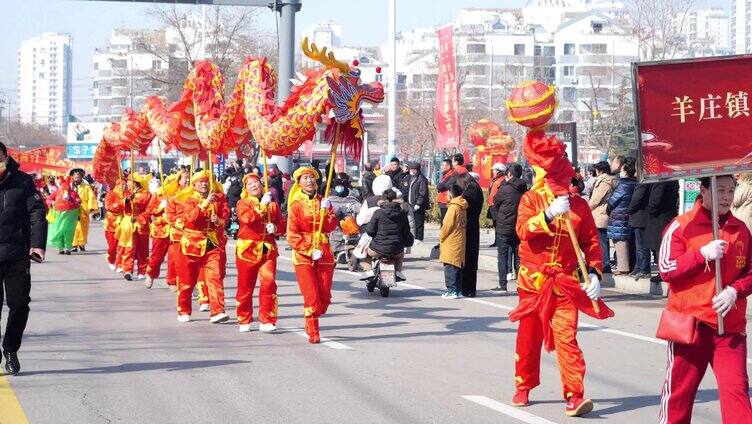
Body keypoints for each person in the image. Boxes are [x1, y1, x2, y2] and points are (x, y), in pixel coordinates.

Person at [510, 169, 612, 417]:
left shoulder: (580, 205)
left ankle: (574, 395)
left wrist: (595, 273)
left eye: (566, 177)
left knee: (567, 338)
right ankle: (523, 385)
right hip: (533, 283)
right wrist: (547, 214)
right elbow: (522, 230)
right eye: (556, 176)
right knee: (529, 336)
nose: (562, 181)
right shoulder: (531, 199)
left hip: (565, 283)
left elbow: (591, 242)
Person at [657, 175, 752, 423]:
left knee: (737, 392)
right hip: (691, 327)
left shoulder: (740, 229)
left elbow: (751, 272)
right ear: (703, 189)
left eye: (731, 190)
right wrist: (701, 255)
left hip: (729, 329)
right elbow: (666, 269)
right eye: (720, 190)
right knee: (679, 394)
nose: (726, 197)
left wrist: (735, 291)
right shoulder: (681, 226)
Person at [0, 143, 47, 375]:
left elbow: (37, 213)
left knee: (19, 304)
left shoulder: (23, 181)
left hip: (16, 254)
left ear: (6, 158)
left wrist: (37, 245)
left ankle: (10, 348)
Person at [286, 167, 339, 343]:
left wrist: (328, 212)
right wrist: (308, 249)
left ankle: (316, 311)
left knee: (324, 297)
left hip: (323, 252)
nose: (309, 181)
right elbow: (292, 235)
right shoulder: (296, 205)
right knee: (311, 296)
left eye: (311, 177)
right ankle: (313, 331)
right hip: (303, 255)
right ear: (298, 182)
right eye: (305, 178)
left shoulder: (323, 202)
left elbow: (330, 226)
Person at [176, 171, 230, 324]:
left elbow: (225, 216)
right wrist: (205, 203)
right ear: (194, 184)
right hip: (192, 243)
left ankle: (218, 311)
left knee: (215, 278)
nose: (204, 184)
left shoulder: (217, 198)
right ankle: (184, 309)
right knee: (187, 280)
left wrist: (218, 220)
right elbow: (191, 217)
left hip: (211, 243)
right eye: (200, 181)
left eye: (206, 181)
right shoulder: (188, 199)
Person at [235, 173, 285, 333]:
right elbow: (247, 218)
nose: (253, 186)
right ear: (246, 188)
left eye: (256, 182)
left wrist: (275, 228)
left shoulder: (273, 205)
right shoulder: (243, 203)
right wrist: (261, 206)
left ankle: (267, 319)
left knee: (269, 283)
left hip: (267, 249)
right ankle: (244, 318)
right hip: (247, 250)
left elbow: (282, 226)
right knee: (245, 286)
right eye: (249, 184)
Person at [491, 163, 527, 292]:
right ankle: (521, 285)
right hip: (519, 227)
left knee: (502, 256)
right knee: (519, 257)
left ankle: (502, 284)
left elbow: (495, 202)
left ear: (509, 174)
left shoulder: (504, 188)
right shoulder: (525, 190)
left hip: (504, 227)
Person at [364, 189, 413, 279]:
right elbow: (406, 232)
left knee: (366, 253)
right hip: (396, 248)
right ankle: (398, 271)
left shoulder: (378, 213)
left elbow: (370, 230)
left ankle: (368, 271)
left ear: (382, 199)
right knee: (400, 254)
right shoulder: (402, 214)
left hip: (378, 248)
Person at [143, 173, 179, 289]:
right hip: (161, 229)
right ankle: (150, 273)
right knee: (157, 256)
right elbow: (149, 210)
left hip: (176, 230)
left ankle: (172, 281)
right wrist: (160, 207)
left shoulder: (182, 195)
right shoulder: (159, 195)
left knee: (174, 257)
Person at [645, 180, 680, 284]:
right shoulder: (673, 181)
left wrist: (651, 211)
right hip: (669, 214)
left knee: (659, 246)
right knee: (664, 245)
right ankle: (663, 272)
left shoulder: (660, 182)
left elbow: (655, 201)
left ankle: (662, 273)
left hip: (659, 217)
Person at [119, 175, 152, 281]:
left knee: (143, 249)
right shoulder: (125, 193)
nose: (127, 183)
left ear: (135, 183)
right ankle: (127, 270)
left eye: (129, 181)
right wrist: (127, 200)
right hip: (128, 224)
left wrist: (140, 219)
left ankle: (142, 271)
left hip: (142, 224)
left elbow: (149, 209)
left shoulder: (147, 194)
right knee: (129, 248)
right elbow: (118, 206)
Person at [606, 161, 637, 275]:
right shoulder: (635, 183)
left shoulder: (623, 185)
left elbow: (613, 201)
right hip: (628, 215)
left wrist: (608, 209)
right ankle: (629, 266)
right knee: (629, 242)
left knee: (620, 242)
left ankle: (623, 268)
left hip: (619, 216)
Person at [457, 172, 483, 297]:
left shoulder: (471, 191)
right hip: (473, 226)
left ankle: (467, 288)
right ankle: (469, 288)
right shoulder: (475, 188)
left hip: (469, 227)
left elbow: (463, 204)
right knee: (470, 259)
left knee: (468, 258)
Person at [440, 184, 468, 299]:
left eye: (447, 193)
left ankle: (452, 290)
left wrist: (441, 237)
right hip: (459, 238)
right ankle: (457, 290)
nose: (446, 195)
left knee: (450, 265)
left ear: (451, 194)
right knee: (457, 266)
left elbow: (447, 225)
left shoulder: (453, 207)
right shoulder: (462, 205)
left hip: (451, 240)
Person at [588, 161, 615, 273]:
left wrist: (586, 208)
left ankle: (605, 264)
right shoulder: (609, 179)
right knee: (602, 240)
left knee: (602, 241)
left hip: (600, 213)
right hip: (602, 212)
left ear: (600, 170)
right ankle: (604, 263)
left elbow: (595, 199)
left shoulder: (604, 181)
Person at [46, 176, 81, 255]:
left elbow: (79, 200)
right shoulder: (57, 192)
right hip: (59, 215)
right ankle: (60, 248)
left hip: (71, 215)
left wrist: (76, 200)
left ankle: (68, 248)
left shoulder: (73, 193)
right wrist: (52, 202)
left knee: (69, 231)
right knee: (60, 230)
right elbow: (48, 199)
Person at [627, 182, 652, 279]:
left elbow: (636, 199)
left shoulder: (643, 183)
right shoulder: (644, 183)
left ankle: (644, 269)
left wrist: (629, 209)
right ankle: (638, 267)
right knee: (638, 246)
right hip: (640, 218)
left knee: (641, 246)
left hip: (641, 217)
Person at [70, 169, 97, 252]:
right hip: (72, 209)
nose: (76, 179)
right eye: (75, 177)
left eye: (78, 177)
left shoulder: (86, 186)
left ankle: (82, 244)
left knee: (82, 228)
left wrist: (90, 208)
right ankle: (74, 245)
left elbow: (91, 197)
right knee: (73, 227)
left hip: (83, 209)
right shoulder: (70, 187)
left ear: (81, 178)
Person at [403, 162, 430, 244]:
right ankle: (413, 237)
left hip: (418, 205)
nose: (412, 171)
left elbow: (423, 193)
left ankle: (419, 238)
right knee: (411, 221)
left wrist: (418, 203)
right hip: (410, 203)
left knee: (419, 221)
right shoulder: (411, 178)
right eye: (411, 169)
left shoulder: (422, 179)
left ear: (418, 170)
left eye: (414, 169)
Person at [486, 163, 507, 247]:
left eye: (494, 170)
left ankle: (499, 241)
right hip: (493, 205)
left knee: (498, 225)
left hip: (497, 206)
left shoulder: (502, 180)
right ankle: (496, 241)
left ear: (499, 171)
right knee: (495, 224)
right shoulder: (495, 180)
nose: (493, 172)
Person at [435, 159, 455, 225]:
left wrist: (438, 186)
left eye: (443, 165)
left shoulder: (450, 175)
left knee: (445, 223)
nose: (441, 167)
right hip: (443, 201)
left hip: (446, 202)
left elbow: (440, 186)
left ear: (448, 166)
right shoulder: (446, 175)